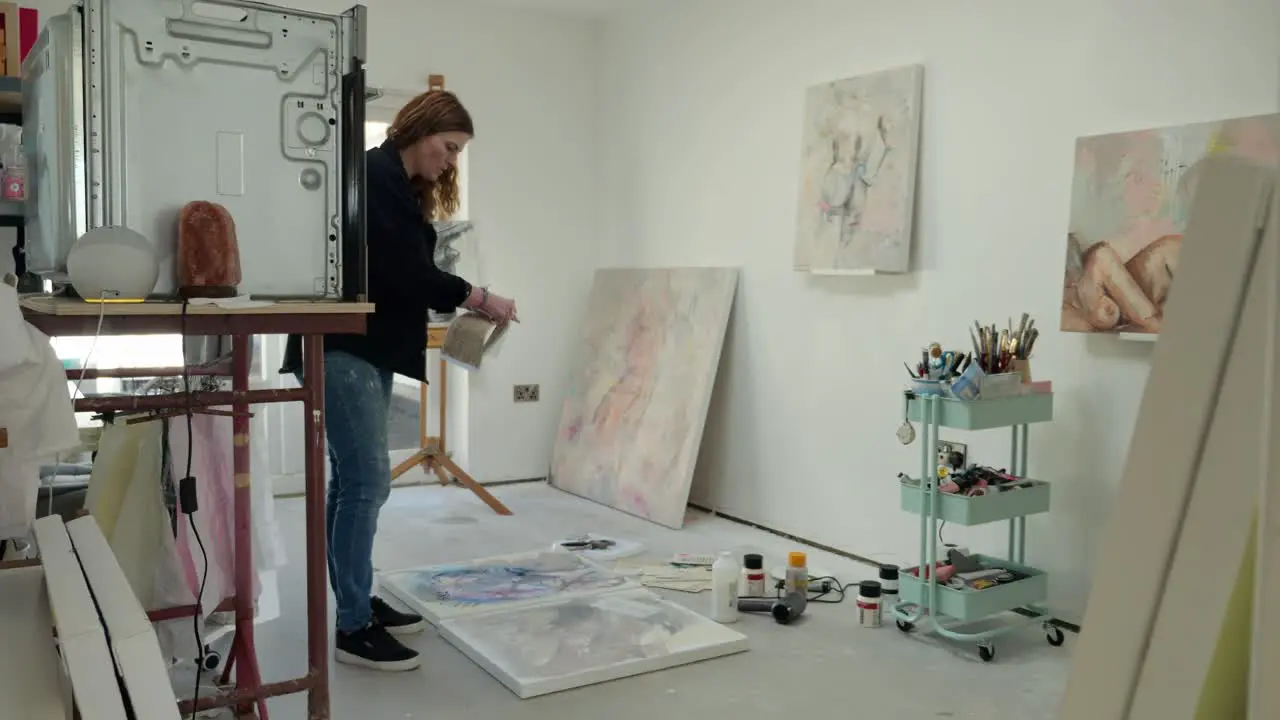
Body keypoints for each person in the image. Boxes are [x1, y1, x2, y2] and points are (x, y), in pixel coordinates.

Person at [281, 90, 517, 672]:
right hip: (345, 346)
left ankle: (355, 603)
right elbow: (404, 270)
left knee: (352, 484)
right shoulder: (373, 173)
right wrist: (476, 296)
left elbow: (400, 272)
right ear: (422, 129)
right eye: (449, 146)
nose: (451, 160)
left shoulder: (393, 181)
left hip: (366, 345)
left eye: (458, 152)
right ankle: (354, 627)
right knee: (366, 484)